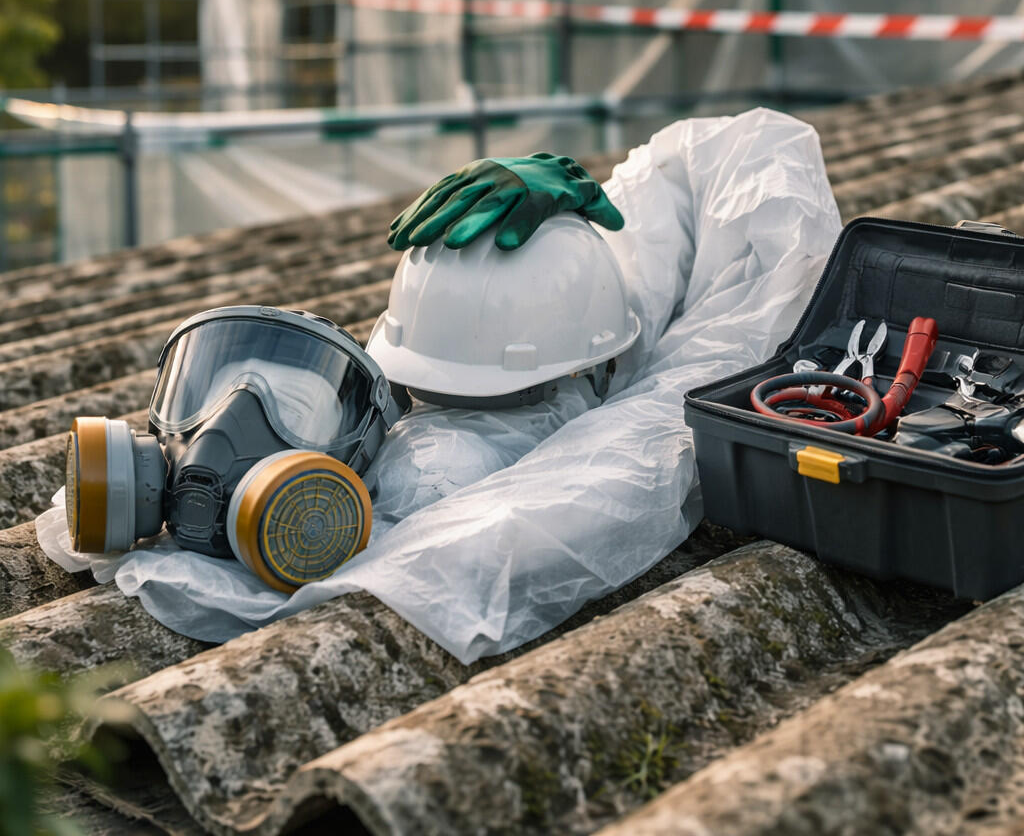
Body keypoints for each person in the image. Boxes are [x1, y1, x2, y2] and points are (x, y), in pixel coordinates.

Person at [38, 107, 841, 664]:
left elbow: (761, 160)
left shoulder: (438, 478)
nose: (220, 434)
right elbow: (761, 165)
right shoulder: (440, 461)